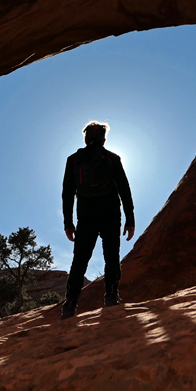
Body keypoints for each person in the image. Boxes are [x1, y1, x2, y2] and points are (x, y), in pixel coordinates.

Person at [61, 121, 135, 320]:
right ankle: (111, 296)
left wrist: (68, 223)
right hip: (111, 213)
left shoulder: (73, 160)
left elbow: (67, 193)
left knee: (79, 261)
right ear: (104, 139)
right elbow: (124, 189)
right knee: (111, 256)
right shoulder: (112, 158)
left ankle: (70, 306)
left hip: (86, 216)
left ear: (85, 139)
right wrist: (130, 218)